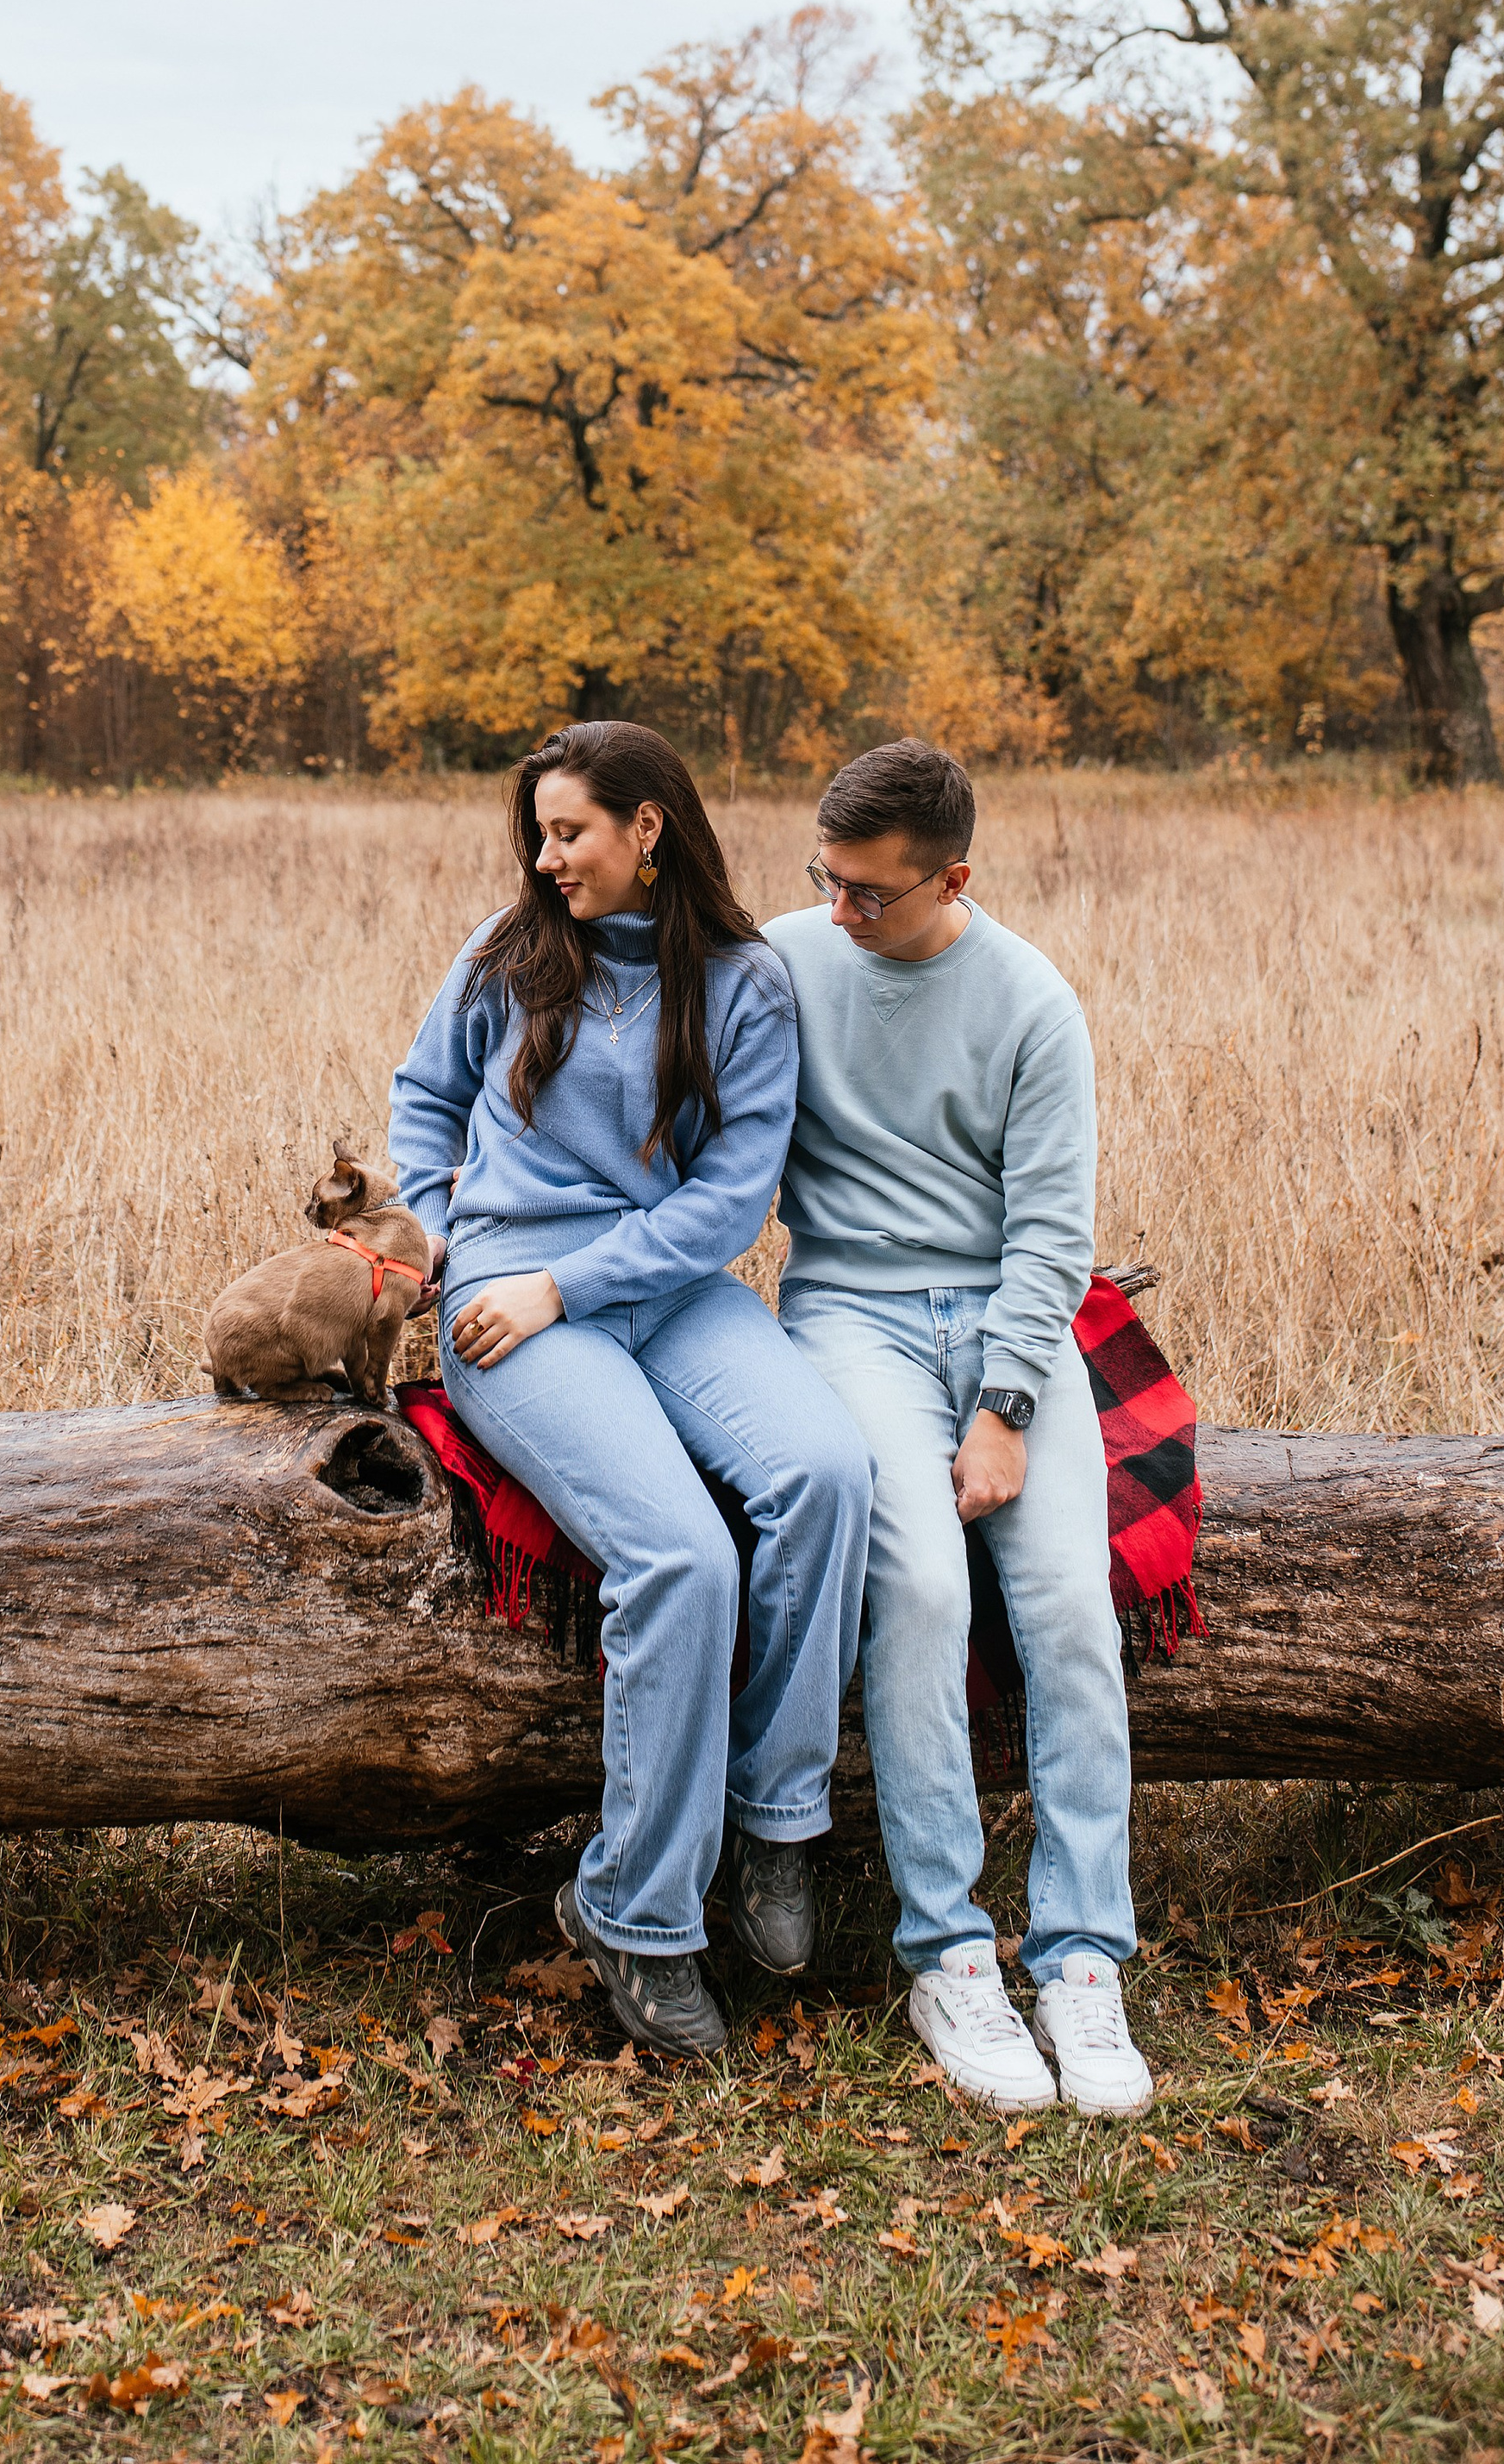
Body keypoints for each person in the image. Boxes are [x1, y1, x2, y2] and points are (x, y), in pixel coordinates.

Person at [390, 719, 873, 2060]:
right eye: (538, 835)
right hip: (512, 1305)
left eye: (570, 833)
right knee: (681, 1558)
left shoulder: (742, 982)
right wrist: (447, 1243)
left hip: (663, 1288)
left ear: (647, 829)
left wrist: (581, 1282)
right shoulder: (506, 958)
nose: (546, 861)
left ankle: (776, 1829)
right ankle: (638, 1914)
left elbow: (732, 1194)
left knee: (828, 1476)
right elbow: (423, 1101)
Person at [764, 737, 1153, 2117]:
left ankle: (1085, 1956)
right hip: (848, 1315)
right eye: (828, 879)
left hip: (1004, 1319)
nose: (842, 912)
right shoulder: (788, 958)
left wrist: (1002, 1412)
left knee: (1066, 1608)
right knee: (921, 1583)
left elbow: (1054, 1235)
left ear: (954, 878)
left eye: (871, 892)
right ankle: (947, 1952)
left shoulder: (1031, 1000)